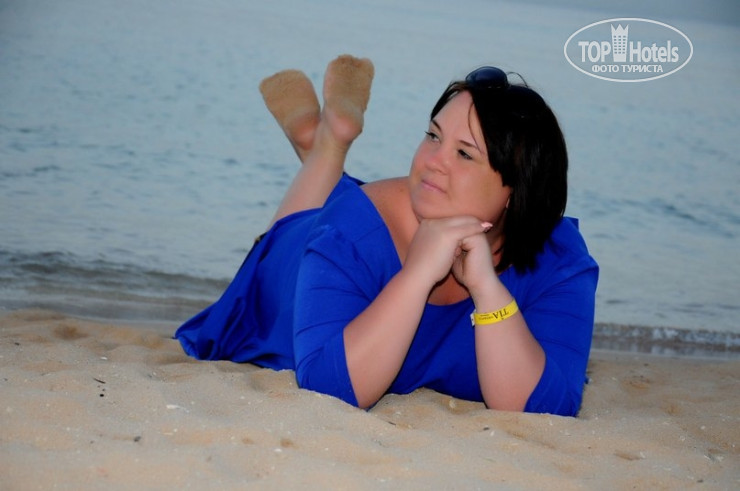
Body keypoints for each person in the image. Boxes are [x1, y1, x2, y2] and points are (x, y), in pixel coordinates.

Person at [175, 55, 599, 416]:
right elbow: (331, 390)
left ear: (516, 191)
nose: (432, 160)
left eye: (464, 153)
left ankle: (322, 144)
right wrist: (417, 275)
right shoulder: (351, 232)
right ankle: (326, 145)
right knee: (290, 234)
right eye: (433, 135)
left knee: (330, 210)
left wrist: (487, 290)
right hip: (293, 267)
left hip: (350, 228)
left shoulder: (557, 259)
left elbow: (545, 408)